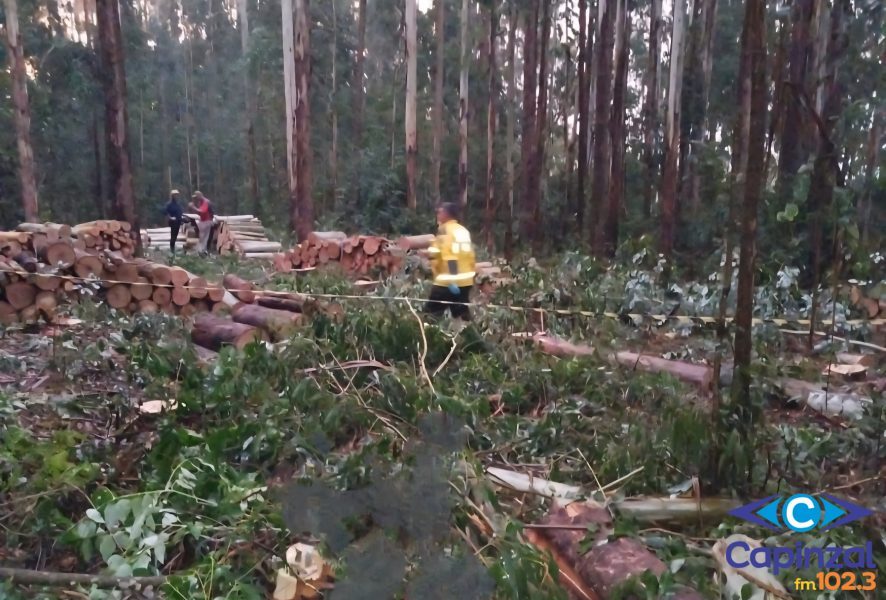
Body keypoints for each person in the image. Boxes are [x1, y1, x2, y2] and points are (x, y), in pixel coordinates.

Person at [423, 202, 476, 321]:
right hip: (465, 281)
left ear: (447, 214)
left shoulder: (445, 230)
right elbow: (469, 255)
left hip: (448, 282)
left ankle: (427, 338)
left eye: (440, 212)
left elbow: (450, 256)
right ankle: (472, 338)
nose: (437, 215)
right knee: (462, 317)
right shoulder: (463, 230)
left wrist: (452, 279)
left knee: (430, 317)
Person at [164, 189, 183, 254]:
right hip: (173, 222)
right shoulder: (169, 204)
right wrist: (170, 217)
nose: (176, 196)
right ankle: (172, 249)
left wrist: (181, 218)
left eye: (177, 195)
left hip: (178, 221)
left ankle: (173, 248)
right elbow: (165, 212)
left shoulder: (178, 204)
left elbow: (180, 212)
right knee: (173, 236)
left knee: (175, 235)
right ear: (172, 196)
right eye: (175, 195)